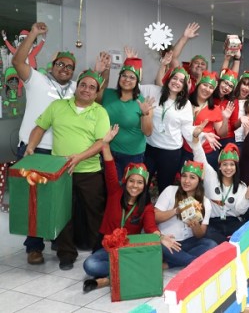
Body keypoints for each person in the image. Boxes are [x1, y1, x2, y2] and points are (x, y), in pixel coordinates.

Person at [26, 69, 111, 270]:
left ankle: (99, 251)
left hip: (89, 172)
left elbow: (101, 143)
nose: (86, 90)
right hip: (61, 172)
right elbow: (40, 128)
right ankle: (66, 254)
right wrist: (31, 146)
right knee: (62, 214)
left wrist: (79, 158)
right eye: (83, 85)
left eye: (92, 87)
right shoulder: (57, 106)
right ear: (77, 86)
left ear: (97, 92)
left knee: (94, 214)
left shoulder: (100, 112)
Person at [12, 22, 80, 265]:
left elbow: (97, 94)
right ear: (52, 66)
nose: (64, 69)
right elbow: (18, 62)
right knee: (33, 200)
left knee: (60, 200)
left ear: (73, 71)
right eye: (60, 64)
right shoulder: (37, 79)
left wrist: (103, 71)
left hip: (60, 153)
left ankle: (60, 244)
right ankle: (34, 246)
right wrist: (32, 35)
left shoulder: (75, 88)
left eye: (69, 67)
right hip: (32, 149)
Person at [82, 125, 179, 292]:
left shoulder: (146, 206)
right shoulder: (115, 191)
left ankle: (107, 280)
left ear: (145, 185)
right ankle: (128, 271)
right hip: (107, 244)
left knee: (138, 258)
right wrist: (105, 144)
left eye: (140, 182)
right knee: (90, 264)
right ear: (126, 181)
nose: (135, 186)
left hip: (128, 247)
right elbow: (110, 164)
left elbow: (150, 227)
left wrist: (161, 237)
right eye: (132, 181)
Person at [141, 67, 200, 193]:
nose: (177, 82)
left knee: (165, 187)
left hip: (171, 152)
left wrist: (199, 134)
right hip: (150, 148)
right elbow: (134, 89)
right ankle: (143, 210)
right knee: (142, 183)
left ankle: (162, 210)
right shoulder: (153, 91)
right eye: (174, 78)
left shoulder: (186, 104)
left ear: (184, 86)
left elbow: (187, 130)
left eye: (181, 81)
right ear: (168, 79)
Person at [154, 160, 218, 268]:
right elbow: (155, 217)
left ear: (199, 180)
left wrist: (195, 225)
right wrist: (176, 211)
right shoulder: (170, 191)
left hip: (188, 243)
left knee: (211, 245)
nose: (187, 181)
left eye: (192, 177)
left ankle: (171, 263)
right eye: (184, 176)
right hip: (167, 240)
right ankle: (196, 264)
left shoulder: (205, 201)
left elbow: (200, 234)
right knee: (159, 244)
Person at [98, 57, 154, 180]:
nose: (127, 79)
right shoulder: (107, 94)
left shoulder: (143, 103)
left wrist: (145, 114)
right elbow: (92, 93)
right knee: (109, 187)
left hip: (132, 155)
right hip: (108, 150)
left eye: (132, 77)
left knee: (127, 190)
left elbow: (148, 132)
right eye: (124, 76)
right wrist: (103, 69)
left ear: (137, 81)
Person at [191, 138, 249, 244]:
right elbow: (200, 158)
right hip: (213, 222)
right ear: (219, 167)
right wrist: (196, 140)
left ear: (236, 167)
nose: (228, 168)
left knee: (246, 238)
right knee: (217, 243)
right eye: (224, 164)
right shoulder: (211, 177)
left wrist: (247, 196)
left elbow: (239, 211)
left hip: (232, 222)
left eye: (232, 164)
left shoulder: (242, 186)